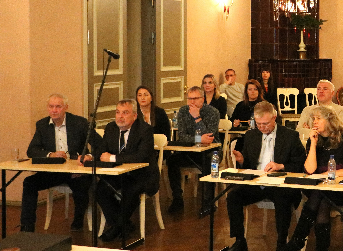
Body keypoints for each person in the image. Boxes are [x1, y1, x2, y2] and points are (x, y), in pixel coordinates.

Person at [224, 101, 306, 251]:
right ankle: (239, 240)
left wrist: (280, 166)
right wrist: (242, 161)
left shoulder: (290, 136)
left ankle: (281, 244)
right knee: (233, 197)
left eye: (265, 123)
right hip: (258, 182)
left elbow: (300, 164)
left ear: (274, 118)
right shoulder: (251, 135)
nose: (262, 127)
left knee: (283, 199)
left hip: (280, 183)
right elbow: (249, 166)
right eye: (258, 123)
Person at [284, 106, 343, 251]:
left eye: (318, 118)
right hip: (318, 187)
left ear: (329, 120)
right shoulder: (314, 140)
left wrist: (328, 173)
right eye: (313, 119)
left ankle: (299, 238)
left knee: (321, 197)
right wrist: (313, 144)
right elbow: (309, 170)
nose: (314, 122)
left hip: (341, 188)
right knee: (321, 197)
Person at [22, 93, 99, 232]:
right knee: (29, 183)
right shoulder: (42, 125)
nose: (54, 110)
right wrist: (50, 155)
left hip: (77, 170)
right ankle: (27, 227)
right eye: (51, 106)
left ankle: (78, 221)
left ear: (66, 108)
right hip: (55, 172)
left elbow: (100, 145)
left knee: (82, 184)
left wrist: (88, 156)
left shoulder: (80, 123)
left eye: (58, 106)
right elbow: (31, 150)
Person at [84, 99, 158, 242]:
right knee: (99, 189)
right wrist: (90, 156)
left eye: (125, 113)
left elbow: (140, 156)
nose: (120, 117)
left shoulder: (145, 130)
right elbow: (102, 149)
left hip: (141, 175)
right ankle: (124, 225)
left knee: (130, 191)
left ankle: (117, 228)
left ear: (134, 115)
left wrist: (112, 158)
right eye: (118, 112)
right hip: (118, 174)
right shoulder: (111, 128)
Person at [166, 86, 220, 214]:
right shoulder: (183, 111)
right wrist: (199, 139)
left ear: (203, 99)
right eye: (189, 99)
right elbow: (182, 136)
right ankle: (177, 198)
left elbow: (209, 138)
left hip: (211, 151)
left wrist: (197, 118)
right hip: (190, 151)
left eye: (195, 98)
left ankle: (208, 202)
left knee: (209, 161)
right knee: (172, 160)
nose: (192, 102)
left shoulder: (213, 112)